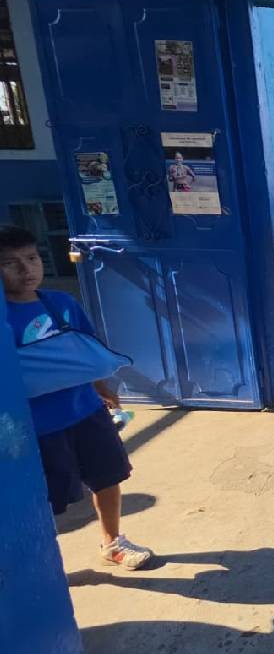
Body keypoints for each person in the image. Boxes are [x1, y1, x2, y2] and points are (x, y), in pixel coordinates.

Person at [0, 225, 152, 570]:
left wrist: (102, 388)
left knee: (108, 477)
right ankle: (44, 566)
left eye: (32, 258)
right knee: (47, 500)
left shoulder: (61, 304)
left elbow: (86, 353)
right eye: (11, 263)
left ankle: (113, 542)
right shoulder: (3, 319)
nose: (27, 270)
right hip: (37, 427)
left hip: (85, 411)